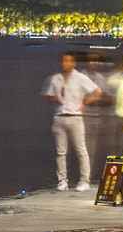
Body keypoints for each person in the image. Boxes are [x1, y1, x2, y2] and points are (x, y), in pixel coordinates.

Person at [43, 52, 102, 190]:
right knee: (60, 152)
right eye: (64, 61)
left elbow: (97, 91)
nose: (66, 64)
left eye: (69, 61)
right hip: (60, 116)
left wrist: (86, 102)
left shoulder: (80, 78)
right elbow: (49, 96)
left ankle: (85, 181)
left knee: (81, 150)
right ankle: (62, 180)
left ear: (73, 64)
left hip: (75, 116)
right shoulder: (56, 79)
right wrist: (56, 98)